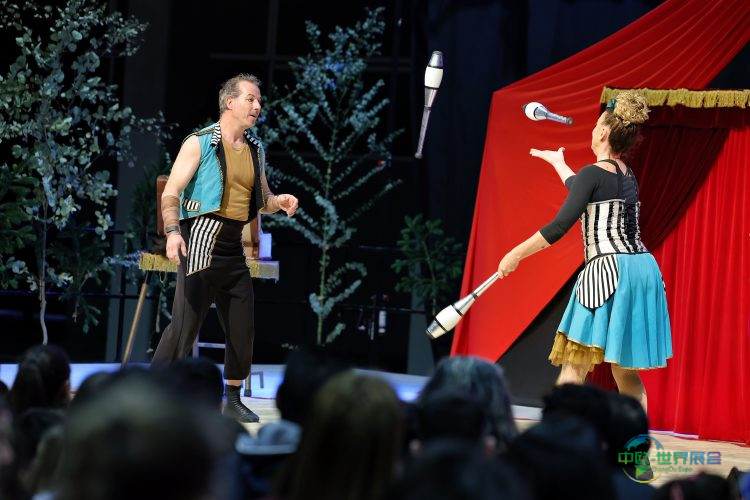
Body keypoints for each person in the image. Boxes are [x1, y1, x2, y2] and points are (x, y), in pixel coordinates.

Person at [497, 91, 672, 410]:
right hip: (642, 270)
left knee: (573, 366)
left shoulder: (594, 174)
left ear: (603, 132)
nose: (592, 130)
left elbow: (558, 227)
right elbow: (585, 190)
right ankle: (636, 444)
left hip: (607, 270)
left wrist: (515, 254)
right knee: (626, 373)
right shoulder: (626, 174)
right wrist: (559, 164)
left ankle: (556, 438)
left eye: (594, 126)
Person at [151, 73, 298, 423]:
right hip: (201, 237)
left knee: (242, 326)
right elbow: (171, 192)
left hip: (233, 245)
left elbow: (261, 199)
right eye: (251, 99)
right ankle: (151, 394)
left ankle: (232, 397)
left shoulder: (255, 149)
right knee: (184, 328)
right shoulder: (199, 143)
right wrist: (172, 232)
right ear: (229, 102)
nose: (257, 106)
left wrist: (279, 201)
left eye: (259, 100)